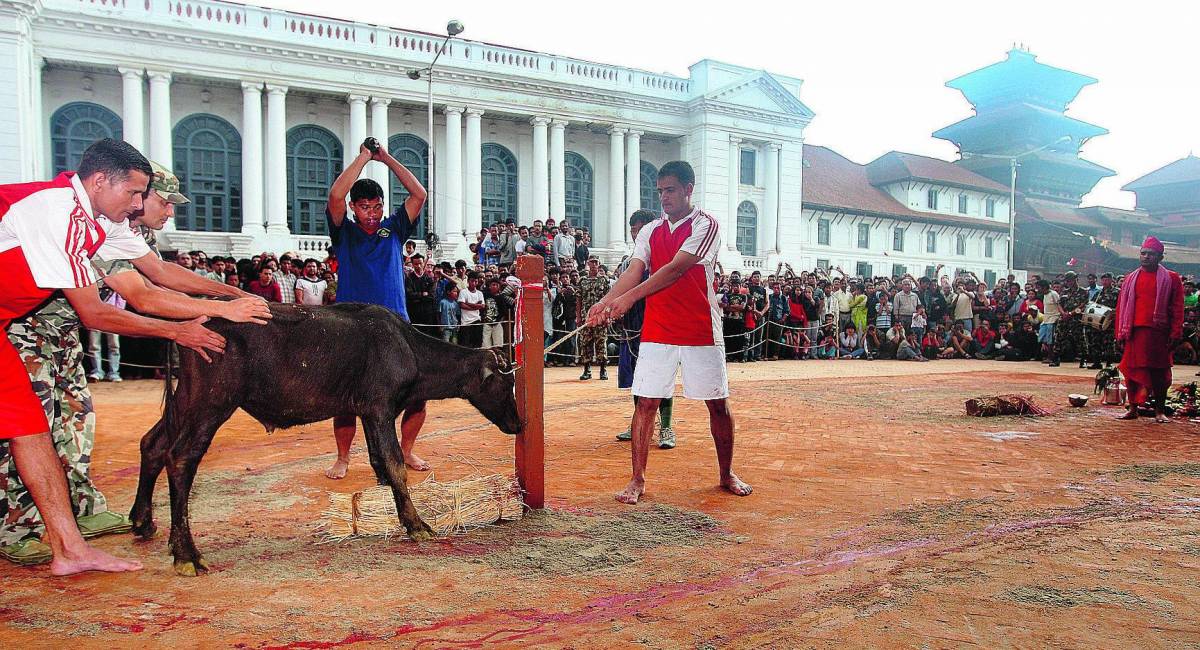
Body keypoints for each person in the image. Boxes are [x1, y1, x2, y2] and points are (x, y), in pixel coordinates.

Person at [0, 139, 229, 574]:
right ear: (100, 180)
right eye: (136, 193)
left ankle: (69, 549)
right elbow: (95, 310)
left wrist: (228, 297)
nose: (140, 204)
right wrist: (178, 330)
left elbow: (158, 272)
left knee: (30, 428)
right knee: (31, 426)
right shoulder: (56, 211)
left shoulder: (103, 219)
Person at [586, 160, 750, 504]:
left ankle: (726, 473)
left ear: (689, 189)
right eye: (660, 191)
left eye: (670, 190)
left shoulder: (706, 225)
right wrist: (605, 302)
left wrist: (628, 299)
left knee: (717, 404)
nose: (664, 197)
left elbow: (676, 269)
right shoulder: (650, 231)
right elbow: (635, 270)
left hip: (700, 329)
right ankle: (637, 479)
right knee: (645, 402)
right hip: (658, 329)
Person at [323, 138, 429, 479]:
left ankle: (406, 450)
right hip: (350, 325)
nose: (372, 214)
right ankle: (343, 457)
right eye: (365, 207)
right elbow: (336, 196)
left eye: (377, 207)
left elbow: (419, 194)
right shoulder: (345, 232)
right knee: (347, 399)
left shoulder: (394, 228)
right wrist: (363, 159)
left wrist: (385, 159)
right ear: (355, 208)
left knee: (416, 393)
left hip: (396, 323)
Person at [613, 210, 675, 449]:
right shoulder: (627, 263)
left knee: (661, 380)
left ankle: (666, 427)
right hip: (632, 328)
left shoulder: (665, 260)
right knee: (637, 380)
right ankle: (638, 424)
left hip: (658, 328)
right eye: (633, 229)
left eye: (641, 228)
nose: (636, 233)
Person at [1116, 236, 1184, 423]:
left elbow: (1177, 308)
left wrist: (1175, 332)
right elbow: (1121, 307)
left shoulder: (1172, 278)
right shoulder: (1130, 279)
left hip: (1158, 333)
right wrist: (1119, 334)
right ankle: (1133, 409)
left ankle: (1159, 411)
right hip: (1134, 332)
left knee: (1159, 373)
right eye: (1143, 253)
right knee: (1131, 371)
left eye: (1151, 254)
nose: (1146, 257)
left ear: (1160, 257)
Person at [577, 256, 610, 380]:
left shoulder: (604, 280)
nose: (594, 265)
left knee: (601, 342)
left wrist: (607, 316)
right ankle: (587, 369)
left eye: (596, 263)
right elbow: (579, 299)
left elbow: (609, 299)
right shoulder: (582, 281)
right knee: (585, 343)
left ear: (599, 264)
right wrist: (579, 317)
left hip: (600, 316)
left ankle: (603, 370)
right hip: (586, 317)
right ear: (587, 264)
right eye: (592, 262)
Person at [457, 272, 486, 348]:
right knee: (466, 345)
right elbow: (462, 305)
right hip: (465, 322)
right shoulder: (463, 292)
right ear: (468, 281)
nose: (474, 283)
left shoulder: (480, 293)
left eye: (475, 281)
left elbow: (482, 306)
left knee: (477, 344)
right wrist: (476, 306)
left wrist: (468, 303)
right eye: (472, 281)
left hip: (477, 320)